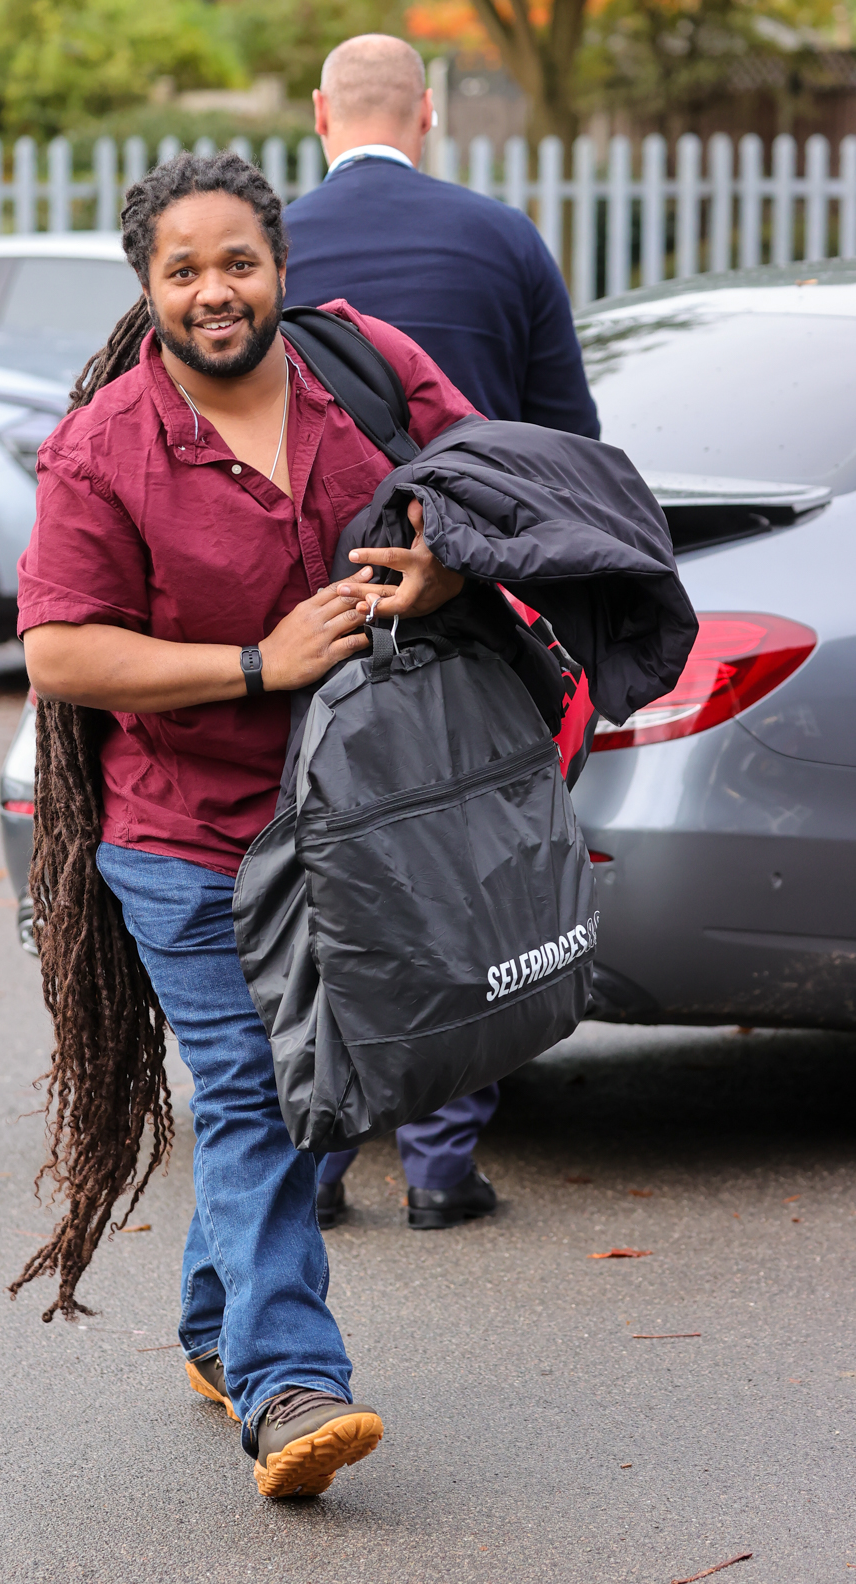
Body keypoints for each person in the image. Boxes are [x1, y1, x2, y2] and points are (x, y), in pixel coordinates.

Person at [13, 152, 477, 1497]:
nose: (214, 292)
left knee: (323, 1094)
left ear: (278, 266)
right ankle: (289, 1382)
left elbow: (480, 486)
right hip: (185, 838)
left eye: (236, 262)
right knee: (257, 1098)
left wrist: (439, 563)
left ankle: (220, 1323)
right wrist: (257, 663)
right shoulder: (104, 447)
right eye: (183, 270)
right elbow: (62, 655)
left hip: (359, 822)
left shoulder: (365, 372)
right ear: (148, 289)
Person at [283, 33, 602, 1234]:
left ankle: (316, 1162)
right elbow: (564, 438)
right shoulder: (503, 240)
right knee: (467, 858)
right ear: (429, 114)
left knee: (328, 861)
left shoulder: (270, 248)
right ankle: (441, 1162)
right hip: (460, 599)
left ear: (321, 113)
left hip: (308, 606)